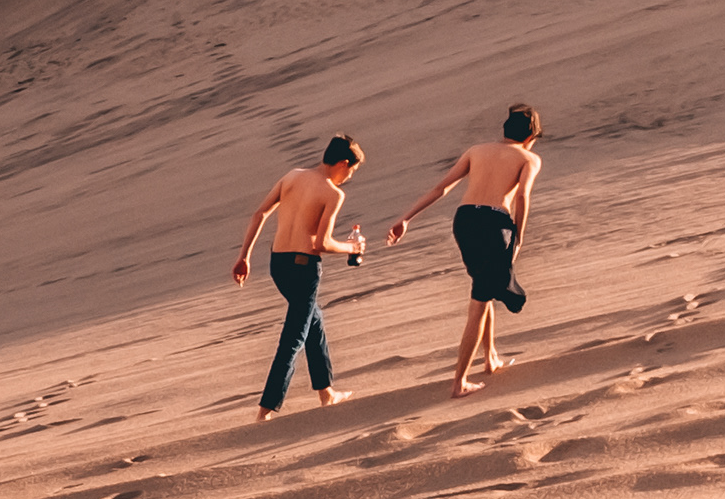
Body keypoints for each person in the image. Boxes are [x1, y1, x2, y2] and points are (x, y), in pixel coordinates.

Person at [386, 106, 545, 398]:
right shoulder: (529, 158)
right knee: (480, 300)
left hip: (464, 221)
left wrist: (406, 218)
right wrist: (519, 237)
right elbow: (522, 196)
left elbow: (442, 188)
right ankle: (459, 382)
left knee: (484, 285)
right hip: (494, 224)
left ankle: (490, 357)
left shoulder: (477, 150)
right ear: (531, 136)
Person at [231, 135, 366, 420]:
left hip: (277, 265)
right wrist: (352, 247)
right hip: (304, 269)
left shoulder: (293, 176)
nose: (348, 177)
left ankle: (326, 393)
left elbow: (259, 214)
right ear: (343, 163)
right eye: (351, 171)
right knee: (293, 338)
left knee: (313, 320)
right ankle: (265, 411)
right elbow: (322, 243)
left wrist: (244, 256)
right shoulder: (333, 193)